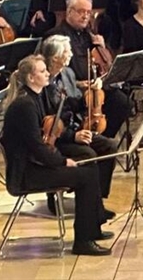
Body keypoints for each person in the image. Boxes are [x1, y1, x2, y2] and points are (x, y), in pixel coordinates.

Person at [0, 55, 112, 255]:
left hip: (36, 163)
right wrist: (62, 161)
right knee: (85, 176)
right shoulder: (24, 105)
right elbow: (36, 147)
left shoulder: (39, 96)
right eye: (42, 71)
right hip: (27, 172)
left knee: (89, 163)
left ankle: (92, 229)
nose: (48, 73)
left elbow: (50, 133)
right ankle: (83, 242)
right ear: (31, 78)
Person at [40, 35, 118, 203]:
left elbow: (75, 103)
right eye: (67, 52)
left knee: (110, 146)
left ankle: (97, 200)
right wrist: (73, 136)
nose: (71, 55)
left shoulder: (67, 73)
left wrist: (92, 94)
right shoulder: (43, 82)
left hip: (75, 128)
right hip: (56, 137)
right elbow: (46, 121)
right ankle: (59, 195)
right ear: (55, 58)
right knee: (88, 154)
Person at [45, 0, 130, 140]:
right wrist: (78, 84)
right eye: (81, 11)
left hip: (94, 88)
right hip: (71, 90)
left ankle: (103, 138)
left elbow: (105, 62)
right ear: (69, 12)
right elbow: (53, 74)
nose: (85, 16)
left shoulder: (88, 35)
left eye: (88, 12)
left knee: (122, 102)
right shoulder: (55, 36)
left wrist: (102, 46)